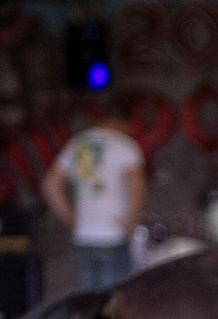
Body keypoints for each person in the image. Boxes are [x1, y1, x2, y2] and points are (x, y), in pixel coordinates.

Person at [42, 103, 146, 292]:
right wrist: (130, 221)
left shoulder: (78, 143)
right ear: (127, 123)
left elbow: (51, 185)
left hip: (84, 235)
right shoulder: (124, 145)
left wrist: (71, 219)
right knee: (114, 306)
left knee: (89, 305)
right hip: (113, 235)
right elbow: (137, 186)